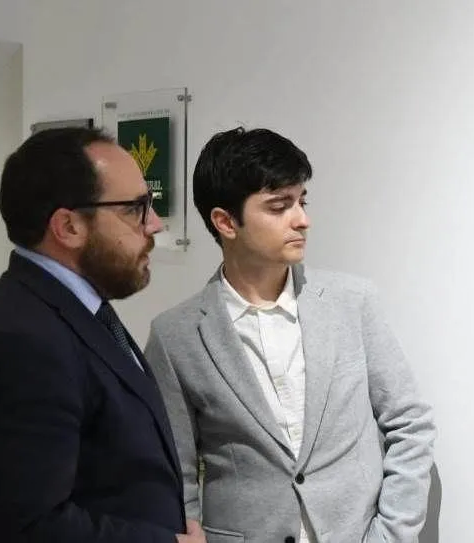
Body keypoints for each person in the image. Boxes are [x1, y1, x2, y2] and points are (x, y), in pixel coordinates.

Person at [144, 127, 436, 542]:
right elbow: (176, 470)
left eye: (301, 201)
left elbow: (409, 423)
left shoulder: (352, 302)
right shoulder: (176, 336)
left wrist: (390, 535)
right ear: (225, 222)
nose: (302, 219)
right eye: (279, 206)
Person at [0, 127, 206, 543]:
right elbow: (26, 527)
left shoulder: (76, 311)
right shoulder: (23, 342)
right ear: (68, 227)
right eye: (135, 208)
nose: (154, 224)